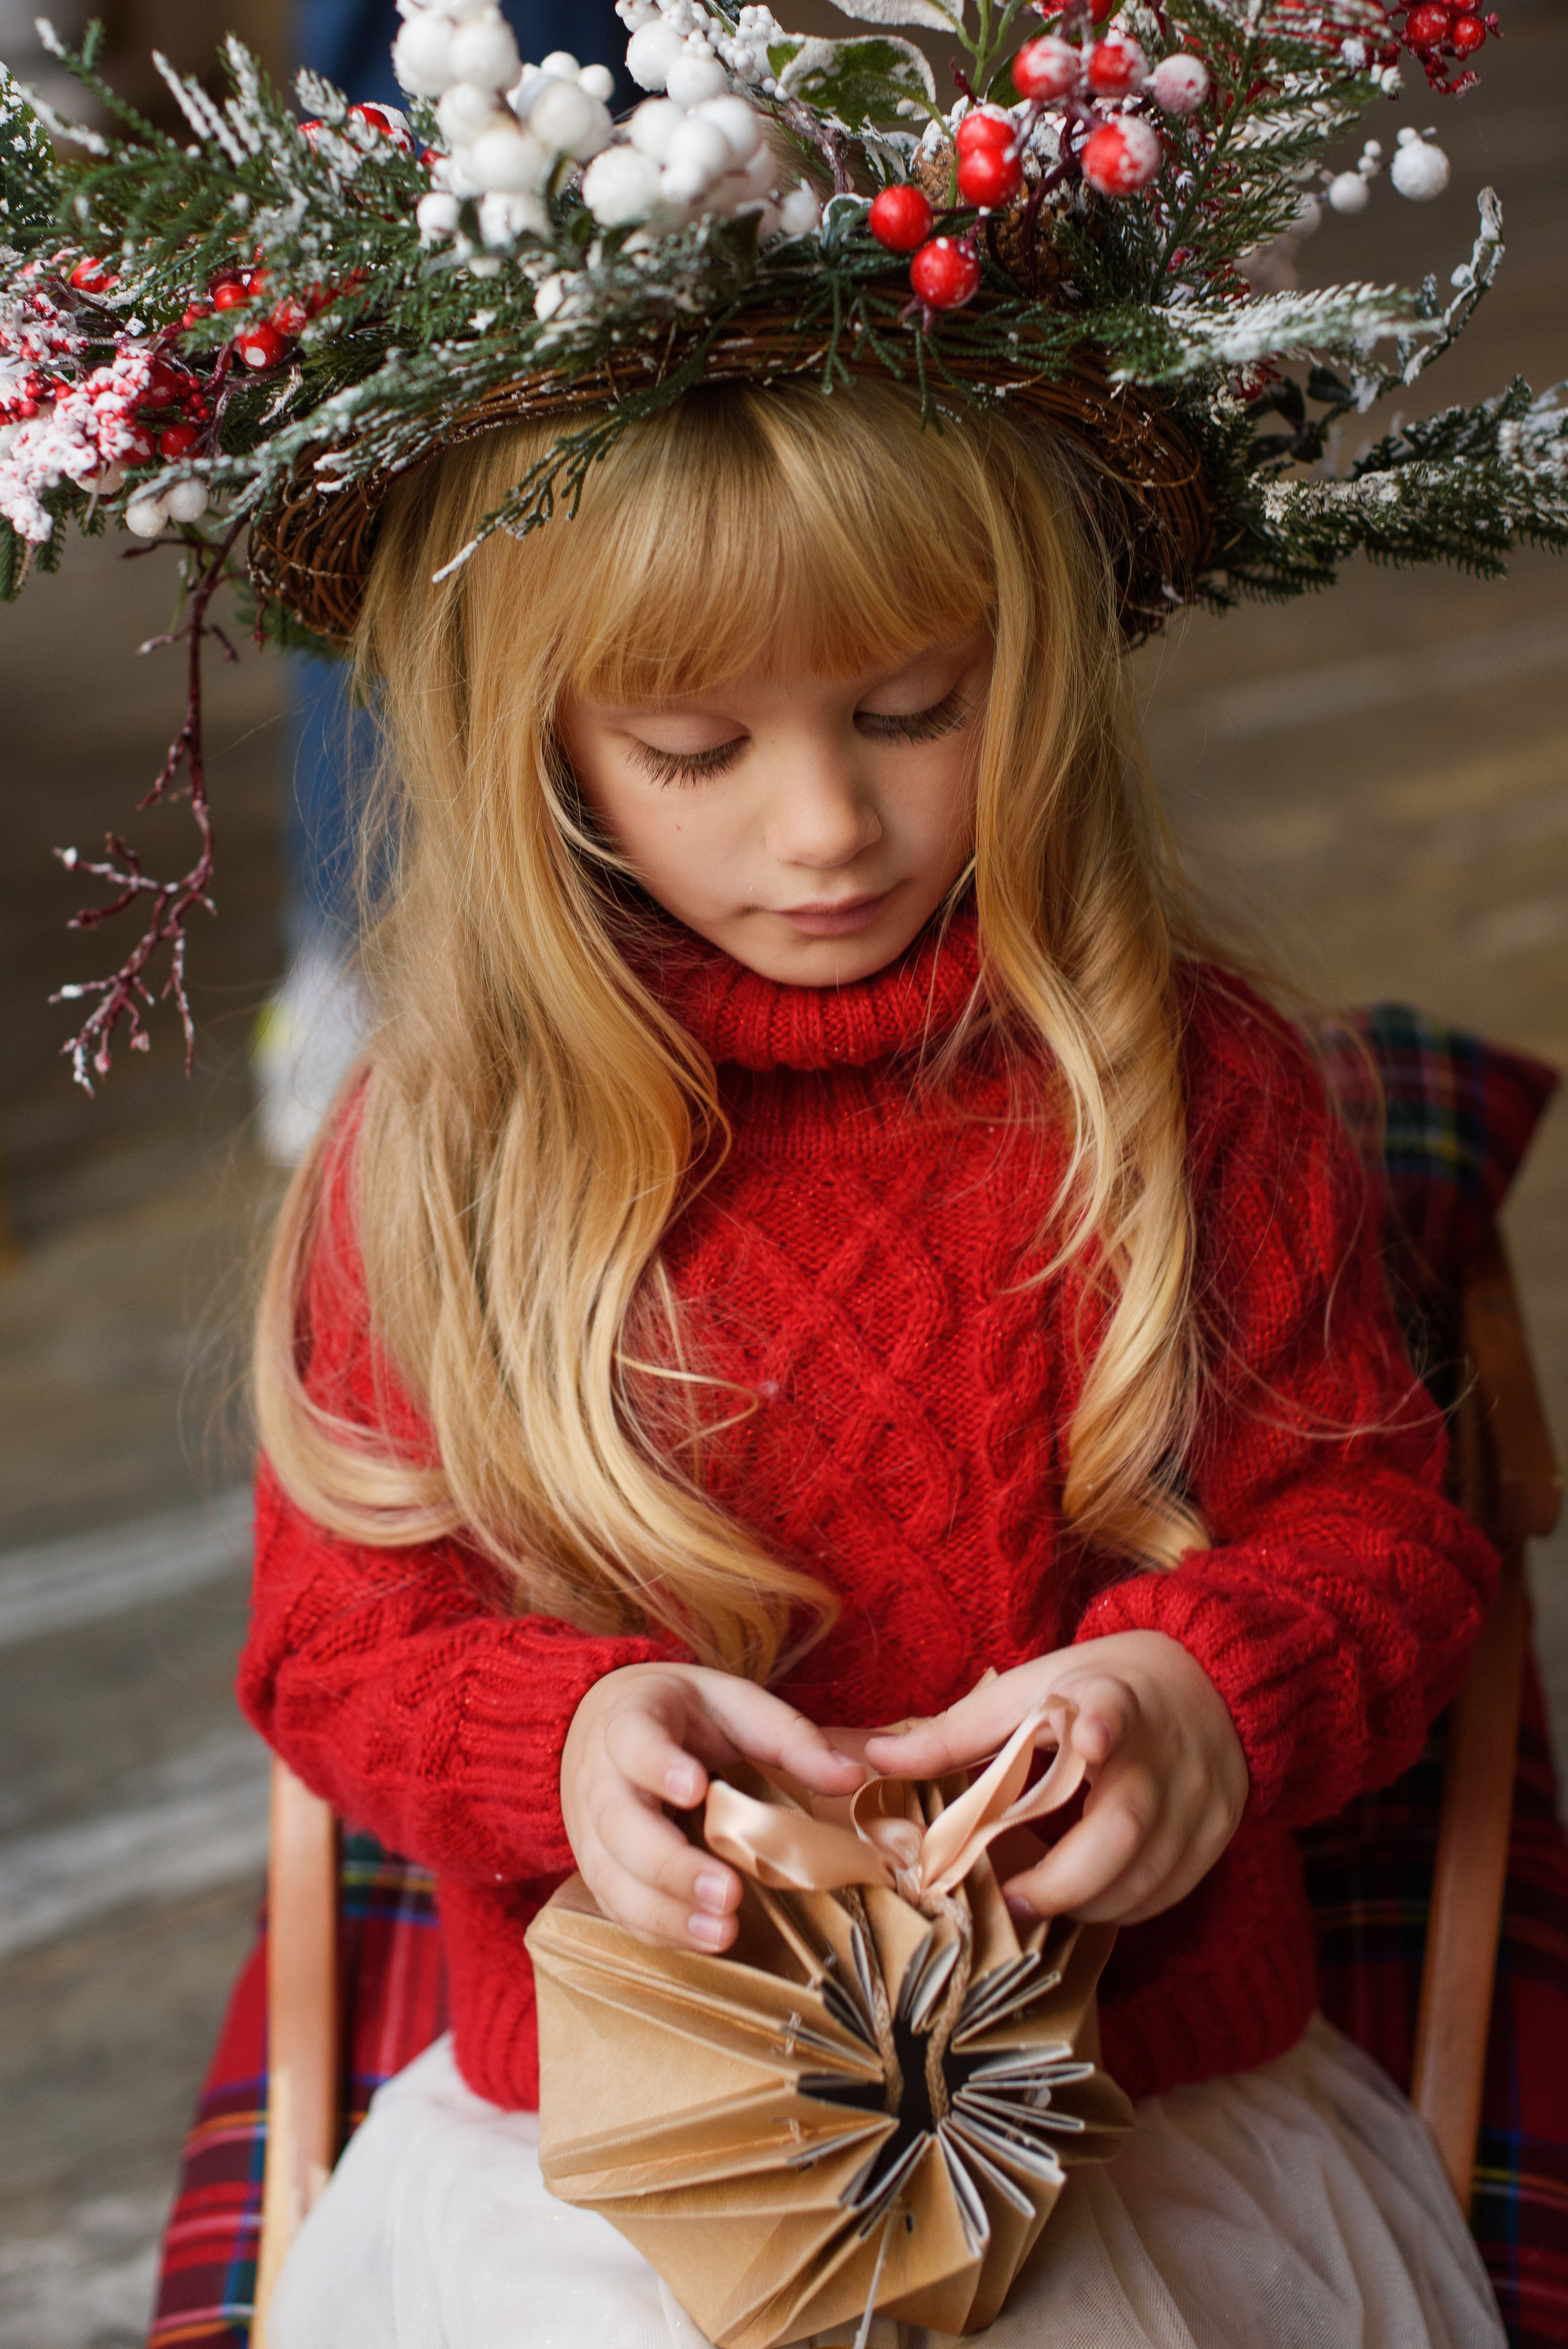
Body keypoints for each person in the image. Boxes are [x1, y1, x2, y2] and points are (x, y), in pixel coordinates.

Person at [238, 379, 1506, 2348]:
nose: (826, 822)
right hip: (614, 2150)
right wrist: (562, 1741)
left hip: (1124, 2111)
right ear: (538, 739)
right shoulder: (452, 1148)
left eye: (913, 709)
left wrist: (1206, 1696)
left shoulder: (1193, 1089)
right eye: (695, 746)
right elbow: (335, 1649)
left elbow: (1390, 1539)